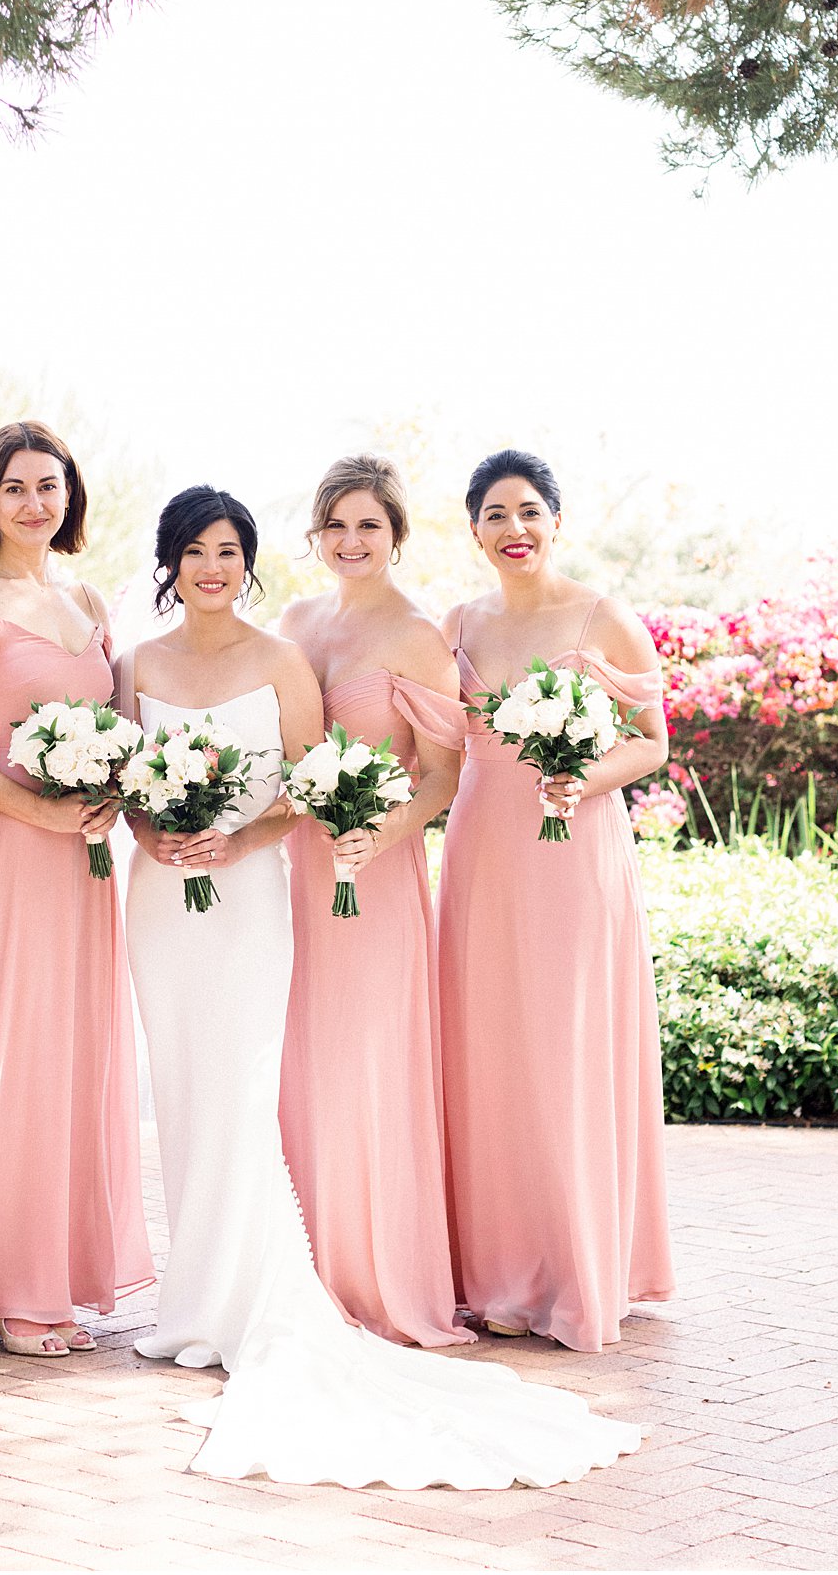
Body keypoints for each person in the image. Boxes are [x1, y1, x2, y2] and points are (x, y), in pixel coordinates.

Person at [119, 485, 644, 1489]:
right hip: (203, 888)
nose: (213, 563)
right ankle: (220, 1282)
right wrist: (154, 827)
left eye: (369, 523)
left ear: (394, 535)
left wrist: (362, 828)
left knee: (312, 1070)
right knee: (249, 1085)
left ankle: (344, 1279)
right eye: (195, 549)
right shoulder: (269, 630)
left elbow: (421, 771)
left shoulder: (390, 637)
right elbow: (148, 772)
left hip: (333, 874)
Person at [0, 421, 153, 1358]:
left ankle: (55, 1274)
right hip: (10, 850)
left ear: (70, 496)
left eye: (49, 486)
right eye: (15, 488)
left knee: (72, 1055)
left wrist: (109, 791)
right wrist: (31, 808)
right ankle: (6, 1286)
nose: (34, 503)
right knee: (13, 1051)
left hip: (85, 861)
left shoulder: (87, 594)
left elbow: (117, 719)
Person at [438, 447, 676, 1353]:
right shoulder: (457, 624)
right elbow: (434, 740)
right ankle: (498, 1270)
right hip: (483, 853)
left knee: (565, 1049)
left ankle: (576, 1267)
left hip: (573, 854)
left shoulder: (600, 616)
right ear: (472, 531)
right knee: (488, 1052)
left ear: (556, 521)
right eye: (495, 515)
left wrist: (582, 777)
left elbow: (650, 742)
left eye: (529, 511)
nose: (514, 530)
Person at [278, 456, 469, 1347]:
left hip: (371, 873)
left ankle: (375, 1274)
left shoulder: (417, 633)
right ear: (314, 534)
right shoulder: (293, 620)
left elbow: (442, 776)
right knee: (297, 1062)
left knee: (364, 1057)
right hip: (289, 875)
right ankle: (297, 1265)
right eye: (335, 525)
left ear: (395, 534)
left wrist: (380, 836)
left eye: (369, 526)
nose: (351, 542)